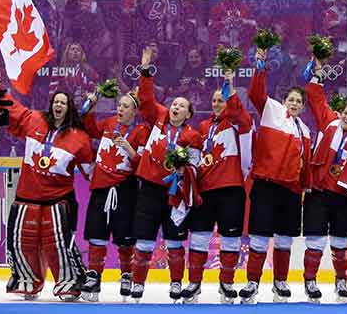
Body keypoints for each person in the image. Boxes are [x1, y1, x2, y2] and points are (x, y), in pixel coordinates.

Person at [0, 82, 94, 301]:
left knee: (59, 245)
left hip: (58, 200)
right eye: (56, 102)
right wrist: (0, 93)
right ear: (51, 105)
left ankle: (69, 283)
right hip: (27, 196)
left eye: (63, 103)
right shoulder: (35, 119)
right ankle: (27, 282)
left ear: (69, 108)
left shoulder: (80, 137)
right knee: (23, 242)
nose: (58, 105)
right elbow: (15, 109)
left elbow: (89, 170)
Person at [129, 44, 203, 302]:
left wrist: (183, 168)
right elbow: (146, 98)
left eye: (181, 106)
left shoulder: (193, 136)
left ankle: (175, 283)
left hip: (175, 194)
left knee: (174, 242)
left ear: (188, 114)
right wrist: (145, 70)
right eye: (174, 104)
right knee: (144, 240)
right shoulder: (159, 118)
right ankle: (138, 283)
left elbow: (195, 167)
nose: (175, 107)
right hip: (150, 189)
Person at [242, 44, 313, 303]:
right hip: (267, 186)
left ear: (303, 107)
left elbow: (305, 163)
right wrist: (259, 67)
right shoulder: (271, 110)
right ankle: (252, 283)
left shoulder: (305, 130)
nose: (294, 103)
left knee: (284, 240)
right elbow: (255, 93)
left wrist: (305, 187)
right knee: (260, 238)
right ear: (284, 101)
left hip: (291, 191)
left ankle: (280, 282)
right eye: (291, 99)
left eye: (298, 102)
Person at [185, 68, 252, 303]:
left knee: (230, 239)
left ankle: (227, 283)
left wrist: (229, 84)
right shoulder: (203, 126)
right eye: (214, 100)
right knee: (199, 237)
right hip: (205, 190)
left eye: (221, 100)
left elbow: (238, 112)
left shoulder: (238, 123)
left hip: (231, 188)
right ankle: (194, 283)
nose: (216, 104)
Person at [301, 62, 347, 303]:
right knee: (315, 242)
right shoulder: (328, 122)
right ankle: (310, 281)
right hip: (319, 193)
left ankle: (340, 280)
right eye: (345, 113)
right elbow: (314, 96)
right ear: (340, 113)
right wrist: (318, 72)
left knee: (340, 244)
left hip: (344, 196)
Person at [78, 84, 145, 302]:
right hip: (101, 187)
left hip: (125, 189)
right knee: (97, 232)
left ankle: (126, 274)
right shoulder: (109, 123)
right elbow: (89, 128)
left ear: (134, 111)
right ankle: (94, 276)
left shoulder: (141, 131)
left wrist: (129, 149)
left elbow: (142, 164)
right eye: (119, 105)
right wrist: (92, 104)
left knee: (125, 236)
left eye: (125, 106)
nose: (120, 109)